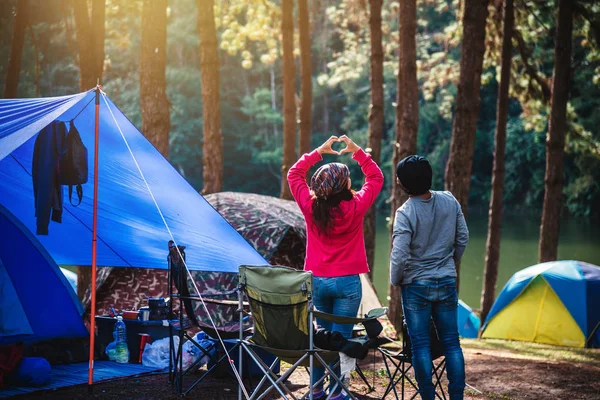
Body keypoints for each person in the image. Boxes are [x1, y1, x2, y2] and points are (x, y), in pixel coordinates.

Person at [288, 135, 384, 400]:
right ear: (344, 185)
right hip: (347, 284)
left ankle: (315, 390)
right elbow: (376, 178)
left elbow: (294, 173)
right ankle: (337, 393)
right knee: (341, 341)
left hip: (317, 280)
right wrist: (358, 153)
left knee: (322, 339)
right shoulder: (355, 206)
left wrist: (318, 152)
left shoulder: (310, 206)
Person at [390, 155, 469, 400]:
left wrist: (396, 279)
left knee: (421, 345)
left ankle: (428, 397)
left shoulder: (405, 213)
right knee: (451, 343)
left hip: (415, 286)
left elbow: (400, 254)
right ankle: (456, 396)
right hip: (446, 281)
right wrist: (448, 264)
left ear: (403, 183)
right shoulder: (449, 200)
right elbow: (462, 238)